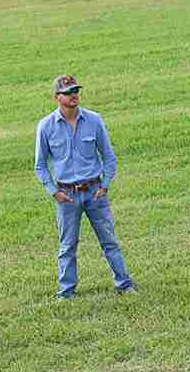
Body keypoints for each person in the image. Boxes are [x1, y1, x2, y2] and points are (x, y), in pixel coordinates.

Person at [34, 75, 134, 300]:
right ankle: (66, 292)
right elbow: (40, 165)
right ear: (56, 97)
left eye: (75, 90)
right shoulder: (46, 126)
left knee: (109, 241)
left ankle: (124, 284)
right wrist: (54, 192)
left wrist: (105, 185)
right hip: (66, 195)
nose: (73, 95)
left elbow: (109, 156)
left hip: (95, 191)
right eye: (68, 92)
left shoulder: (94, 120)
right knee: (67, 246)